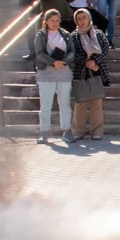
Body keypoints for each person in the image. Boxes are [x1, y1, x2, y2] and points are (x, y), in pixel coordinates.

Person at [33, 8, 73, 143]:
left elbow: (72, 51)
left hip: (64, 72)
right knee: (45, 104)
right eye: (52, 21)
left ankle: (67, 131)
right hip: (47, 73)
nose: (55, 23)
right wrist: (53, 62)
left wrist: (65, 61)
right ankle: (44, 132)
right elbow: (39, 53)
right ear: (46, 21)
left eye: (57, 20)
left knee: (65, 103)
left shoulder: (66, 34)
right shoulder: (41, 35)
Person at [69, 8, 110, 141]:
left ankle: (97, 131)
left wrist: (95, 62)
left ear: (88, 18)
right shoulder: (74, 36)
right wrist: (86, 62)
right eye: (79, 18)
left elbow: (105, 49)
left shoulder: (98, 33)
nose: (82, 21)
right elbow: (73, 53)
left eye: (84, 17)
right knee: (80, 103)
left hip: (97, 70)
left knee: (96, 102)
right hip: (80, 72)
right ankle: (78, 131)